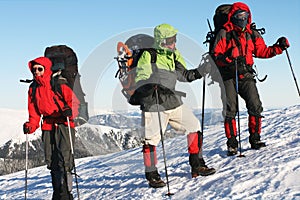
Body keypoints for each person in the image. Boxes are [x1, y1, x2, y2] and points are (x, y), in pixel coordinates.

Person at [134, 23, 216, 188]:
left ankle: (197, 164)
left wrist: (201, 71)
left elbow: (185, 75)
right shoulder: (148, 55)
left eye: (175, 39)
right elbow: (140, 77)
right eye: (171, 40)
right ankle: (152, 175)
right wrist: (149, 84)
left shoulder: (173, 55)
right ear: (162, 41)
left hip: (172, 101)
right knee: (151, 140)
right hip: (153, 103)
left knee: (193, 126)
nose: (174, 43)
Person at [211, 2, 290, 155]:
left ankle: (255, 139)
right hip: (228, 76)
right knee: (230, 110)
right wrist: (227, 60)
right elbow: (215, 54)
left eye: (244, 15)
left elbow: (263, 51)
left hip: (246, 75)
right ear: (232, 17)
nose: (242, 18)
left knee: (255, 106)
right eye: (239, 16)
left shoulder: (252, 34)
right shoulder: (224, 32)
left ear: (248, 16)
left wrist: (279, 48)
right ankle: (232, 143)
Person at [23, 56, 80, 199]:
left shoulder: (59, 83)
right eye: (34, 69)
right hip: (48, 125)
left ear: (46, 69)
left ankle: (66, 193)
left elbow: (75, 103)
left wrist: (70, 111)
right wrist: (31, 125)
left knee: (64, 160)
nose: (36, 72)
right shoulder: (33, 88)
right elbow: (34, 112)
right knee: (51, 160)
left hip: (64, 123)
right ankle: (57, 192)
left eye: (39, 69)